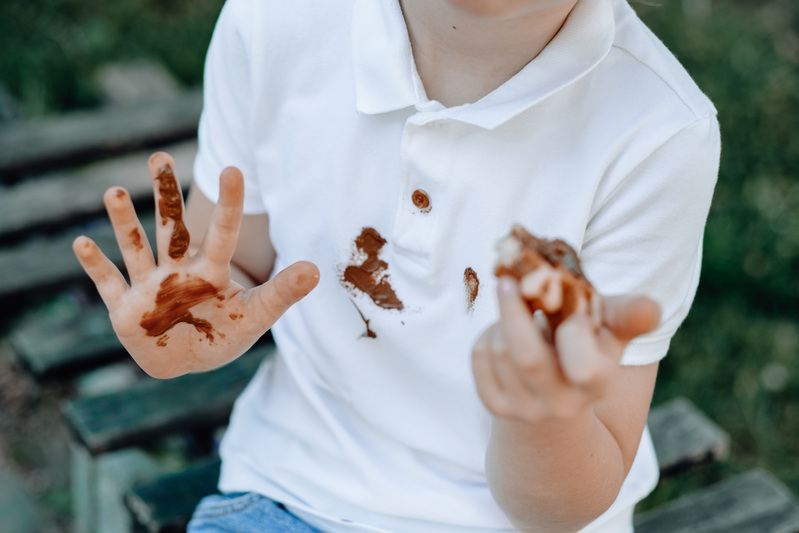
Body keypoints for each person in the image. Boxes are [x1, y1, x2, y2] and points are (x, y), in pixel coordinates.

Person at [72, 0, 721, 531]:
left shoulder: (657, 133)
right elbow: (237, 263)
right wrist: (190, 331)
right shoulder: (275, 22)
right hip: (293, 493)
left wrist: (538, 413)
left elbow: (564, 504)